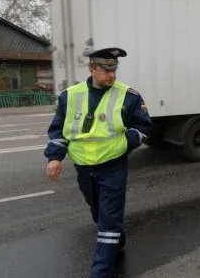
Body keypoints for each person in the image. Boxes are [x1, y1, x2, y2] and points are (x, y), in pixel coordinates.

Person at [44, 47, 152, 278]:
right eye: (106, 70)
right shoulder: (70, 96)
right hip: (83, 168)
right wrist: (55, 158)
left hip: (113, 166)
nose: (112, 75)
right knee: (98, 213)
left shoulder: (128, 96)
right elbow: (58, 129)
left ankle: (101, 271)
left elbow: (144, 126)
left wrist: (127, 142)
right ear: (92, 69)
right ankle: (117, 239)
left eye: (114, 70)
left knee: (108, 221)